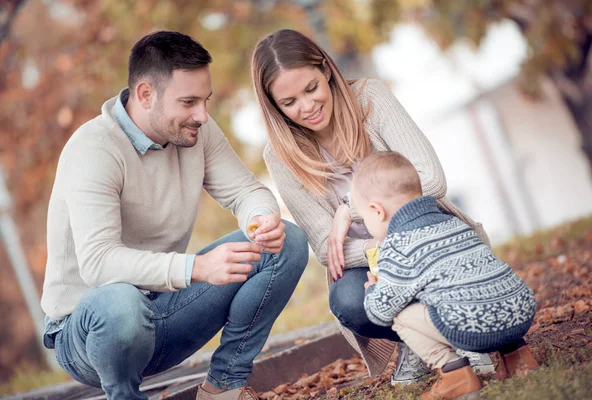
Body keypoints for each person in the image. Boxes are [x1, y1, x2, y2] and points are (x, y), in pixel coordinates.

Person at [40, 30, 309, 400]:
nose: (201, 114)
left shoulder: (195, 131)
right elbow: (99, 264)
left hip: (165, 313)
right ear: (145, 94)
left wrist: (260, 220)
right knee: (120, 302)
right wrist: (197, 268)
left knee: (288, 242)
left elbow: (247, 192)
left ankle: (224, 388)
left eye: (205, 100)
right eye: (188, 102)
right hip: (90, 337)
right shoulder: (94, 149)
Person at [251, 29, 494, 384]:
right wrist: (379, 252)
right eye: (289, 103)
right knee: (349, 301)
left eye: (311, 88)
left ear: (326, 70)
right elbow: (326, 247)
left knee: (426, 271)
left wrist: (351, 207)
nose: (307, 107)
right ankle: (416, 340)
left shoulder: (371, 98)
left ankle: (466, 336)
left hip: (424, 233)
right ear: (274, 105)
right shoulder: (279, 155)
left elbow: (431, 179)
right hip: (367, 257)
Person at [352, 151, 538, 399]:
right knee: (475, 288)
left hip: (475, 329)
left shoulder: (397, 245)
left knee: (402, 315)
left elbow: (381, 311)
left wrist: (373, 291)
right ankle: (518, 357)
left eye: (364, 219)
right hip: (519, 313)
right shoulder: (454, 223)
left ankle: (455, 374)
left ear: (377, 211)